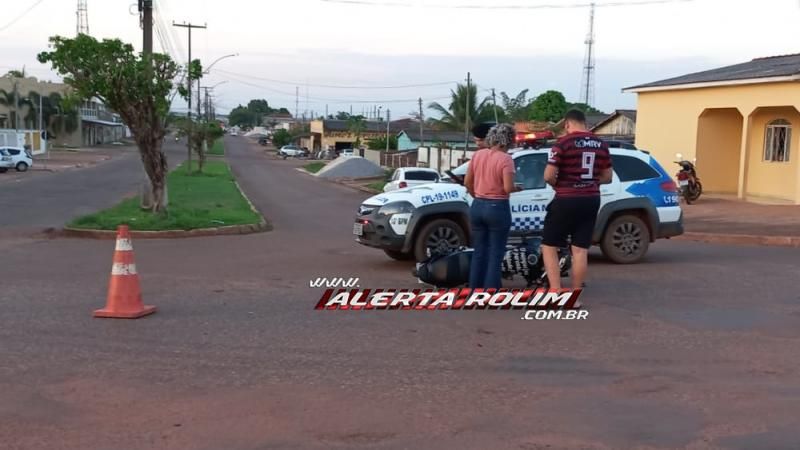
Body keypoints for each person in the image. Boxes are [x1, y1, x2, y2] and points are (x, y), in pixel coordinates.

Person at [542, 109, 613, 290]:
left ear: (567, 124)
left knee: (549, 245)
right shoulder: (602, 145)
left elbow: (548, 175)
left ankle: (555, 291)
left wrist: (559, 185)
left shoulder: (562, 143)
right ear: (585, 123)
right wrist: (589, 182)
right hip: (591, 199)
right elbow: (608, 177)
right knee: (580, 250)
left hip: (566, 199)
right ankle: (574, 296)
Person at [464, 123, 521, 289]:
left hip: (478, 206)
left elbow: (467, 182)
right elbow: (508, 188)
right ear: (507, 141)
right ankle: (491, 291)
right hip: (498, 207)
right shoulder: (506, 159)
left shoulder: (478, 155)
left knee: (479, 251)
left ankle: (474, 289)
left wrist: (478, 196)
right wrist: (518, 187)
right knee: (495, 252)